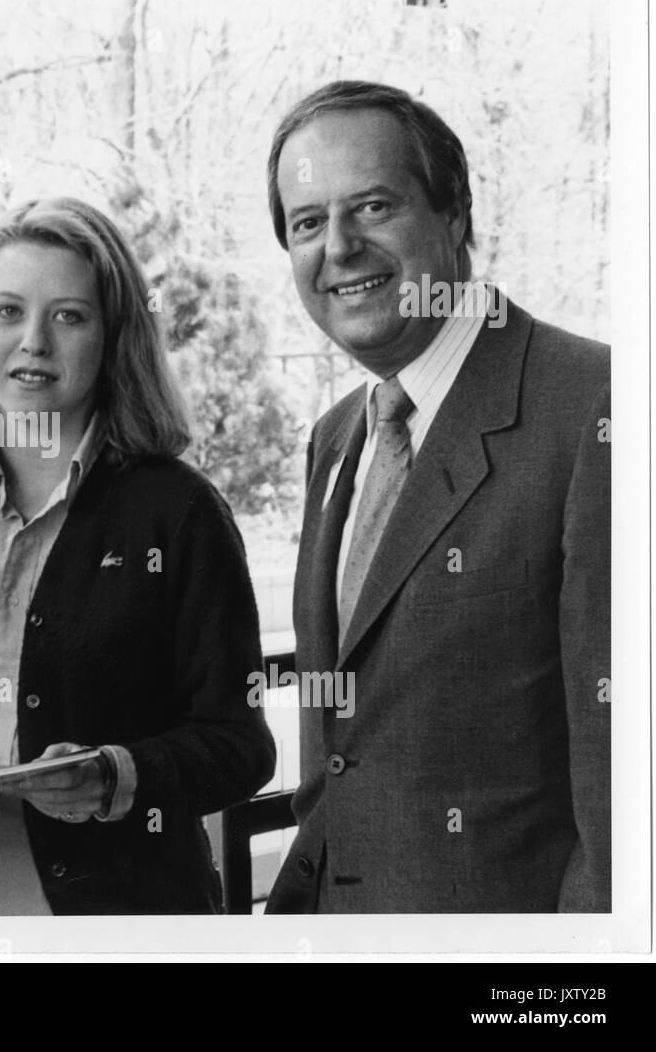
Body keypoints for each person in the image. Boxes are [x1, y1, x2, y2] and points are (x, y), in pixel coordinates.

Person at [0, 198, 276, 915]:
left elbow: (240, 743)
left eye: (69, 316)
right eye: (9, 311)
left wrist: (117, 775)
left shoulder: (181, 513)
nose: (33, 341)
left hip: (125, 922)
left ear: (113, 336)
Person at [263, 80, 610, 913]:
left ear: (455, 214)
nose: (338, 247)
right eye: (307, 222)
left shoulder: (599, 410)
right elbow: (336, 751)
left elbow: (629, 797)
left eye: (373, 206)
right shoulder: (337, 438)